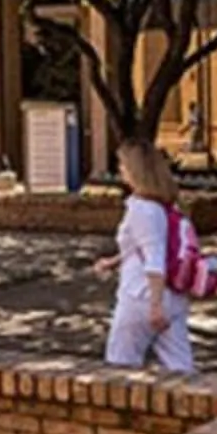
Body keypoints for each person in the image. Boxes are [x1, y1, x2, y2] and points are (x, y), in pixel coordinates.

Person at [89, 141, 195, 374]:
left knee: (120, 364)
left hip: (142, 296)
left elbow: (154, 259)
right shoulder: (169, 206)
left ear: (136, 170)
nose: (120, 169)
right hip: (174, 297)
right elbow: (146, 246)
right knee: (180, 366)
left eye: (123, 164)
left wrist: (155, 305)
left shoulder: (142, 209)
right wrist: (114, 261)